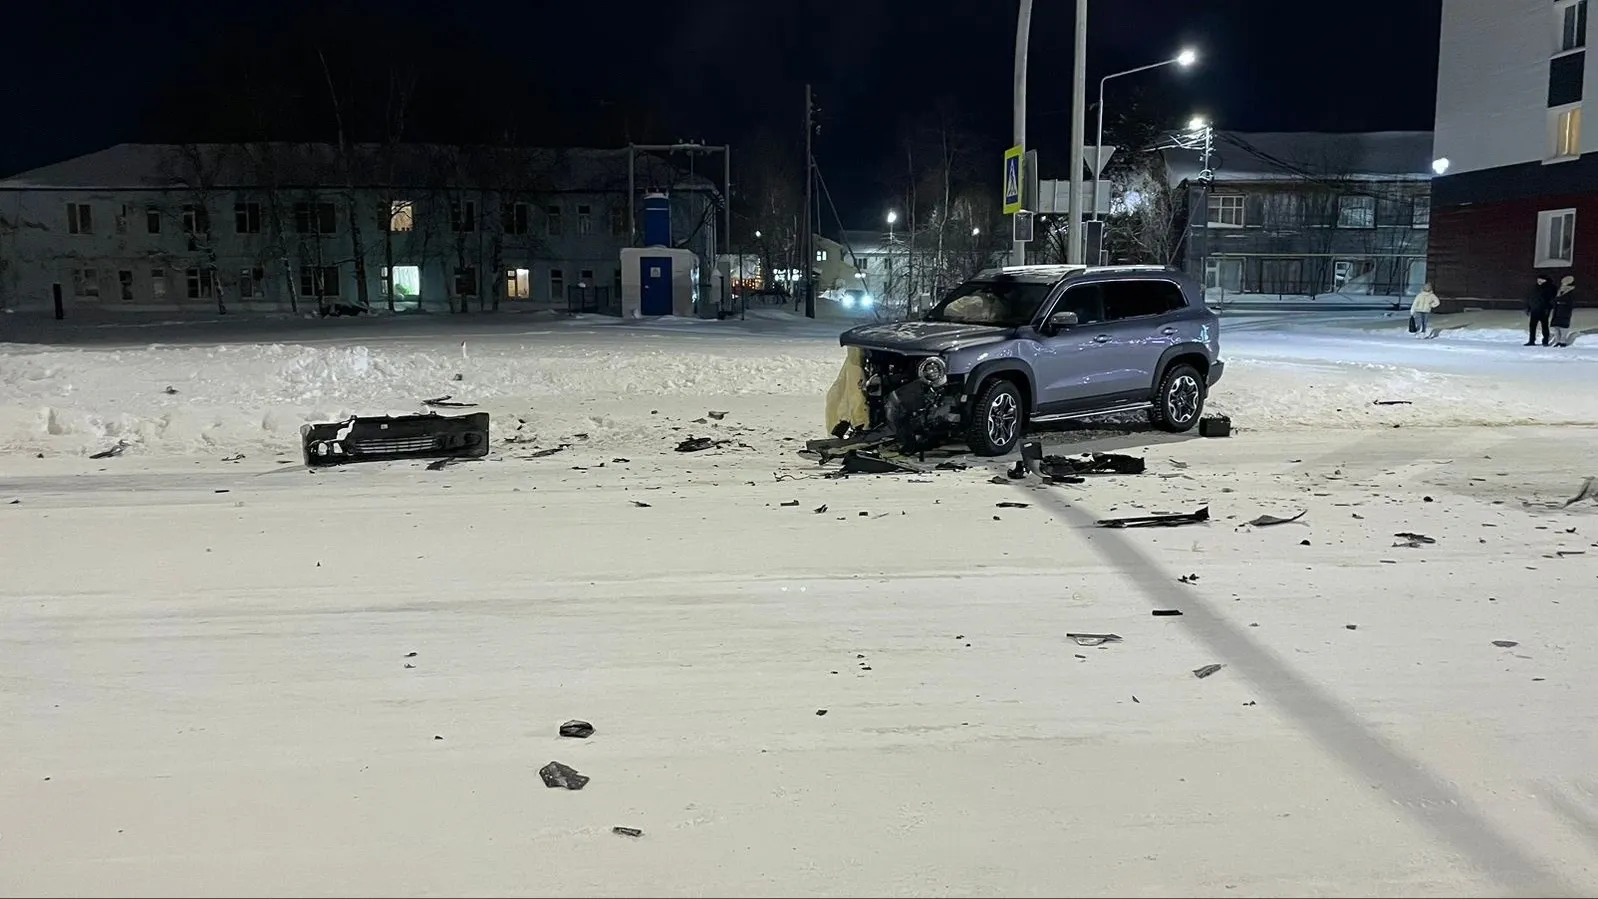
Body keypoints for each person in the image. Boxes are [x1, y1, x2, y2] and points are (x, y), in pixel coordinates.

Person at [1526, 275, 1555, 345]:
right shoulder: (1534, 287)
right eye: (1538, 279)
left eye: (1541, 280)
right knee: (1532, 326)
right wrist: (1528, 308)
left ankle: (1545, 341)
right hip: (1534, 310)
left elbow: (1551, 300)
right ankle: (1531, 340)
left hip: (1543, 310)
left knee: (1544, 326)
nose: (1539, 281)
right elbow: (1530, 298)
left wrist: (1548, 309)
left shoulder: (1550, 288)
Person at [1551, 275, 1579, 347]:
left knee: (1563, 327)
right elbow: (1555, 299)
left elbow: (1569, 301)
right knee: (1556, 327)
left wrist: (1559, 301)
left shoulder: (1571, 292)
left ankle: (1562, 341)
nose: (1563, 284)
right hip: (1557, 311)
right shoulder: (1560, 290)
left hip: (1565, 312)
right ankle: (1558, 341)